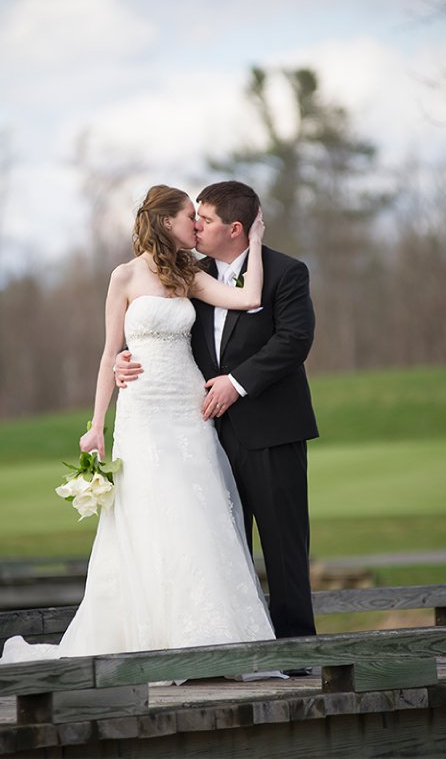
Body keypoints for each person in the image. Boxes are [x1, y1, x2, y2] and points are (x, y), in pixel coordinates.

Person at [0, 185, 278, 666]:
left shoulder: (187, 274)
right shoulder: (124, 276)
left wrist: (254, 240)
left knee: (198, 512)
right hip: (143, 411)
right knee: (150, 512)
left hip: (188, 410)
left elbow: (249, 297)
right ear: (167, 221)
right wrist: (96, 425)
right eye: (191, 216)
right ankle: (153, 640)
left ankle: (212, 640)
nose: (197, 224)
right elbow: (111, 353)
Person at [114, 181, 319, 642]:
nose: (196, 227)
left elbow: (294, 341)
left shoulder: (287, 272)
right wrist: (122, 358)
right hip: (204, 432)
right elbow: (154, 329)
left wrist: (237, 383)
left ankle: (296, 651)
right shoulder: (184, 272)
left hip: (271, 430)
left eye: (203, 220)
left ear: (235, 229)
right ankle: (241, 645)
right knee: (221, 547)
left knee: (284, 547)